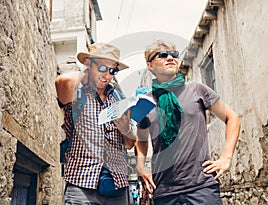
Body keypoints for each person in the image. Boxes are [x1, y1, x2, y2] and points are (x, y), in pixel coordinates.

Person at [135, 40, 241, 204]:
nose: (170, 58)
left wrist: (226, 158)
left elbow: (232, 118)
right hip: (164, 190)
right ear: (150, 65)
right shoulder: (144, 103)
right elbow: (140, 140)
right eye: (163, 55)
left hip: (201, 187)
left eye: (174, 55)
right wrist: (140, 166)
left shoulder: (197, 89)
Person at [55, 42, 136, 205]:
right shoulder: (76, 92)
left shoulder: (119, 99)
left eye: (112, 70)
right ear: (88, 64)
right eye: (102, 68)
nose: (107, 75)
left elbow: (130, 144)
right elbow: (62, 81)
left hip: (117, 187)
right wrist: (89, 74)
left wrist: (125, 128)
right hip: (81, 185)